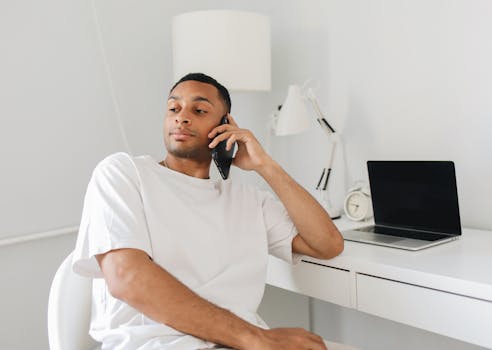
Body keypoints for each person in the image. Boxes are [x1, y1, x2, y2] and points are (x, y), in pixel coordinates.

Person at [72, 72, 344, 350]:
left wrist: (266, 166)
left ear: (225, 126)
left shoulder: (248, 200)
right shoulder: (124, 173)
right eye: (173, 108)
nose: (181, 116)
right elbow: (126, 277)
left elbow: (327, 244)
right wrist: (257, 338)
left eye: (199, 110)